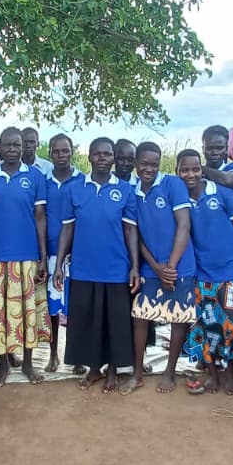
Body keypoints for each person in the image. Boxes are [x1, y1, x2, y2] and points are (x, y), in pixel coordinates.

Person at [54, 137, 139, 393]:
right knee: (87, 320)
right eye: (97, 153)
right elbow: (67, 229)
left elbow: (130, 231)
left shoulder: (125, 190)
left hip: (115, 269)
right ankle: (93, 369)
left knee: (114, 321)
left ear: (113, 158)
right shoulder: (75, 189)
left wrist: (134, 266)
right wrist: (58, 264)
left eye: (107, 154)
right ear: (89, 157)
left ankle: (112, 370)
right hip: (83, 267)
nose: (102, 158)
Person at [177, 149, 233, 395]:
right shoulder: (180, 197)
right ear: (177, 172)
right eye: (185, 169)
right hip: (202, 273)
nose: (190, 174)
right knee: (209, 327)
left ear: (202, 169)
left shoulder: (221, 192)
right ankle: (213, 375)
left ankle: (230, 376)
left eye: (195, 169)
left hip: (231, 269)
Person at [0, 127, 50, 386]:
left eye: (17, 145)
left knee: (27, 313)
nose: (12, 150)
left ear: (23, 147)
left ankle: (29, 363)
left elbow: (40, 217)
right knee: (1, 312)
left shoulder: (35, 176)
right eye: (8, 145)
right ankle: (3, 364)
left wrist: (42, 256)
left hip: (27, 255)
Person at [126, 141, 195, 395]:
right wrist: (156, 267)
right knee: (141, 317)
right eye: (144, 164)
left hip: (180, 266)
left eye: (154, 164)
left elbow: (184, 226)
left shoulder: (172, 185)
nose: (149, 169)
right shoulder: (132, 191)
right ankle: (137, 373)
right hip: (150, 267)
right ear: (136, 164)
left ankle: (169, 372)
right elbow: (135, 234)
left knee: (179, 319)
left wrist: (171, 267)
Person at [44, 133, 82, 374]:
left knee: (75, 307)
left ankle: (76, 356)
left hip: (76, 254)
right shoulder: (42, 180)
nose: (61, 155)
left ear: (71, 152)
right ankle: (52, 355)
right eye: (56, 151)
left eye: (65, 150)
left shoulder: (82, 180)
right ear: (50, 153)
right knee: (52, 308)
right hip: (49, 253)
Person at [202, 125, 233, 191]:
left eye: (219, 148)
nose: (214, 153)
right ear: (203, 149)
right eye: (210, 148)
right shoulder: (196, 174)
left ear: (226, 149)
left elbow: (228, 180)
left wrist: (199, 167)